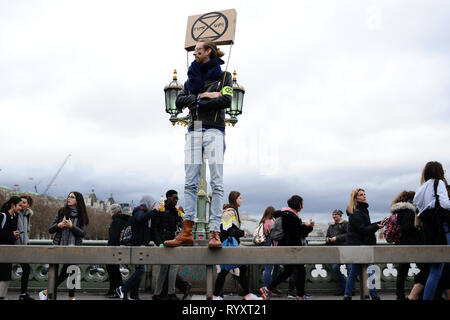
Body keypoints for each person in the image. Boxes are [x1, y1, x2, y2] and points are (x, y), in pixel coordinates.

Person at [164, 40, 233, 248]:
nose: (194, 54)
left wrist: (195, 101)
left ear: (208, 52)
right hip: (194, 130)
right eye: (194, 51)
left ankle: (214, 232)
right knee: (190, 182)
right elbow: (178, 102)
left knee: (217, 183)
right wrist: (204, 95)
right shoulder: (190, 80)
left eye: (198, 51)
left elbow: (226, 101)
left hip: (214, 129)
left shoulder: (225, 76)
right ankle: (187, 231)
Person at [260, 195, 314, 300]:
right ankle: (300, 295)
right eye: (302, 204)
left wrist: (306, 227)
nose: (302, 206)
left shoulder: (284, 214)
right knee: (300, 271)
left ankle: (267, 289)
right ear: (298, 204)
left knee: (288, 271)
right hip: (293, 248)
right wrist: (308, 226)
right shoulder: (291, 217)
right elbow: (298, 233)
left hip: (286, 247)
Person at [39, 191, 89, 300]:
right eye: (68, 196)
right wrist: (59, 225)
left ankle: (65, 296)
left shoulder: (82, 215)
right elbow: (50, 229)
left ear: (78, 201)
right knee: (61, 272)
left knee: (72, 271)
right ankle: (48, 292)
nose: (69, 198)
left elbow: (83, 233)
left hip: (74, 247)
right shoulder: (62, 212)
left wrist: (72, 227)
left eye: (72, 197)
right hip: (59, 245)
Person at [213, 191, 262, 300]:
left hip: (228, 246)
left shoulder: (232, 211)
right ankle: (217, 296)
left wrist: (239, 232)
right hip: (228, 246)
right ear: (235, 199)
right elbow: (228, 229)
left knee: (230, 270)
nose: (241, 200)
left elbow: (230, 228)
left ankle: (218, 295)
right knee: (231, 270)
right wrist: (242, 233)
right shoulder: (230, 212)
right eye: (240, 197)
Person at [413, 161, 450, 300]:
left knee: (436, 268)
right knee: (437, 269)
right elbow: (445, 204)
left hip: (429, 230)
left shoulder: (421, 189)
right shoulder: (438, 183)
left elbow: (419, 208)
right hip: (442, 228)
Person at [343, 188, 387, 300]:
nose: (364, 196)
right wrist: (377, 226)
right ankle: (373, 295)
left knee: (355, 272)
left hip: (359, 245)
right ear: (356, 198)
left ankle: (348, 295)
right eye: (361, 195)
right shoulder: (356, 212)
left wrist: (379, 223)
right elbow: (363, 229)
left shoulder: (360, 210)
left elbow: (365, 226)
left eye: (364, 194)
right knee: (369, 271)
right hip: (359, 246)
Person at [116, 195, 159, 300]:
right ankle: (123, 289)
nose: (153, 207)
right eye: (152, 204)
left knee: (138, 270)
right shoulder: (139, 211)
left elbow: (150, 231)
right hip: (137, 246)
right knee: (141, 270)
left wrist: (160, 243)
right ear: (147, 203)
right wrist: (154, 212)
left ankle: (134, 295)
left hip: (141, 246)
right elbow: (140, 219)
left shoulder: (145, 213)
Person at [388, 191, 420, 300]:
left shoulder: (397, 211)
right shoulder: (409, 211)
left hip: (400, 243)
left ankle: (399, 295)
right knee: (423, 268)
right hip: (410, 244)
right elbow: (407, 228)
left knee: (402, 271)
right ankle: (417, 292)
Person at [152, 190, 183, 300]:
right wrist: (159, 243)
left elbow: (179, 224)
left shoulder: (174, 211)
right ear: (168, 198)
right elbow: (154, 228)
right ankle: (170, 293)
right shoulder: (160, 209)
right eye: (175, 198)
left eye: (177, 198)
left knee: (166, 268)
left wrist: (181, 215)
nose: (177, 200)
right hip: (164, 243)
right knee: (170, 267)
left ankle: (158, 293)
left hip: (172, 242)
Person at [104, 203, 130, 298]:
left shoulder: (116, 221)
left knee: (112, 270)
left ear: (112, 212)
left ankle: (115, 291)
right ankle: (113, 290)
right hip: (122, 248)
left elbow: (114, 237)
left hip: (114, 250)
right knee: (115, 270)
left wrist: (110, 249)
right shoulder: (124, 220)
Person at [0, 196, 22, 300]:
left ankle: (3, 296)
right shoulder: (2, 216)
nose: (21, 208)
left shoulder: (15, 217)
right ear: (13, 205)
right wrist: (11, 234)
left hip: (9, 250)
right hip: (2, 250)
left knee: (7, 275)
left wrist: (15, 235)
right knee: (3, 275)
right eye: (19, 205)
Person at [325, 209, 349, 296]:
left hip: (346, 250)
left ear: (340, 216)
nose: (334, 216)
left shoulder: (346, 223)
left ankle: (350, 289)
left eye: (336, 214)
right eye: (333, 215)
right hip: (335, 251)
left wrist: (337, 238)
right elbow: (327, 235)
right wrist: (327, 239)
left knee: (350, 270)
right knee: (335, 268)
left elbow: (348, 235)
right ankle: (344, 288)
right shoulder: (331, 226)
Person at [16, 195, 35, 300]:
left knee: (27, 269)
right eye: (21, 202)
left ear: (28, 205)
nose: (22, 204)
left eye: (24, 202)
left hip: (23, 247)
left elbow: (26, 233)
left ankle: (23, 294)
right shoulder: (16, 213)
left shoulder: (27, 215)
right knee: (26, 269)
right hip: (15, 246)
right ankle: (23, 294)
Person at [259, 206, 281, 292]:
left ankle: (270, 287)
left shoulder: (263, 221)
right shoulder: (271, 222)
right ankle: (267, 288)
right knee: (271, 268)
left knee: (273, 267)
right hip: (272, 248)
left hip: (266, 246)